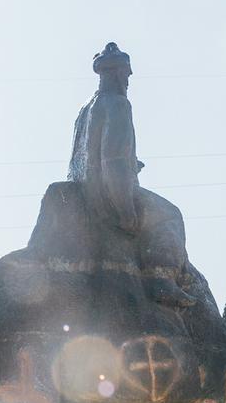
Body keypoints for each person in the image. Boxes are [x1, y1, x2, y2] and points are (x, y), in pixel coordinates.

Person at [66, 43, 195, 309]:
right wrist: (126, 211)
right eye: (126, 73)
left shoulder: (85, 110)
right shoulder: (118, 104)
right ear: (114, 73)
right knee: (171, 214)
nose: (128, 79)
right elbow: (112, 162)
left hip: (81, 189)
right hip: (105, 195)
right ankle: (161, 279)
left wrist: (132, 164)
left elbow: (88, 155)